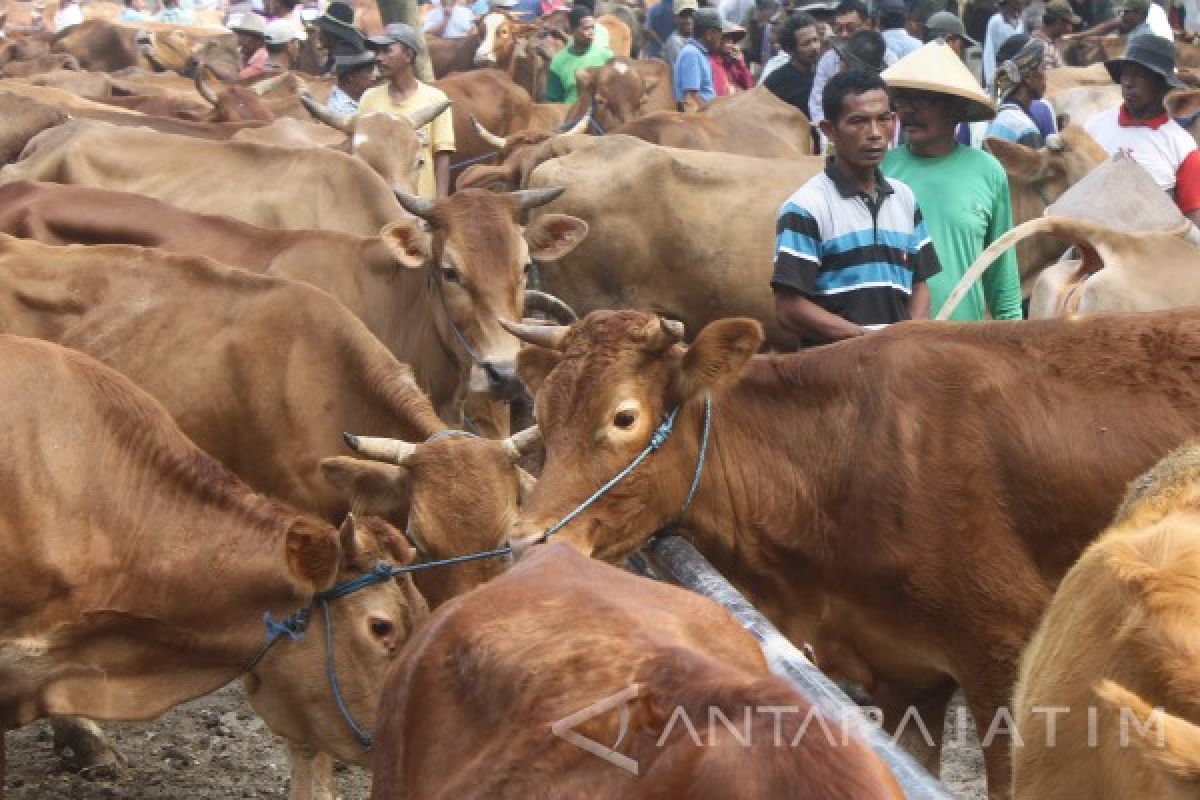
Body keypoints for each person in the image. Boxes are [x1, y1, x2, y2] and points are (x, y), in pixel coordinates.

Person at [772, 69, 940, 346]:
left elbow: (920, 285)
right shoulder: (806, 207)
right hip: (833, 378)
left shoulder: (904, 198)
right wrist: (869, 342)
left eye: (884, 119)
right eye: (858, 121)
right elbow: (789, 309)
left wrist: (907, 339)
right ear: (829, 130)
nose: (875, 134)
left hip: (896, 371)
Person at [882, 41, 1024, 322]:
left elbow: (1001, 270)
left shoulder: (988, 171)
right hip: (891, 345)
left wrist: (1014, 336)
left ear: (957, 109)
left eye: (923, 100)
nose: (908, 111)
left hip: (962, 348)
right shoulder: (881, 169)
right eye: (902, 100)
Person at [1085, 34, 1200, 223]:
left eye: (1139, 75)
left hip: (1151, 248)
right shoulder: (1094, 127)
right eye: (1125, 74)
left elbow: (1193, 220)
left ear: (1161, 83)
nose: (1128, 83)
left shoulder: (1183, 148)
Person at [360, 23, 456, 198]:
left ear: (408, 55)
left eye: (386, 50)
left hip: (422, 203)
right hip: (383, 203)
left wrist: (440, 203)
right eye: (377, 52)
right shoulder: (369, 99)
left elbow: (442, 155)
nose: (379, 58)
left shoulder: (436, 99)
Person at [808, 0, 897, 125]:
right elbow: (817, 103)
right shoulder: (828, 60)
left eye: (851, 28)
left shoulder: (887, 58)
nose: (844, 34)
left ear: (868, 24)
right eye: (839, 29)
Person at [987, 34, 1048, 146]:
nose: (1046, 75)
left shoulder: (996, 119)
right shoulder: (1024, 128)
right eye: (1043, 67)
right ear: (1029, 77)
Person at [546, 6, 614, 104]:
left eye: (592, 28)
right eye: (586, 28)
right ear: (572, 30)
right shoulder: (558, 62)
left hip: (599, 116)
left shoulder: (607, 56)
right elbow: (553, 100)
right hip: (569, 115)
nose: (591, 33)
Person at [763, 11, 822, 110]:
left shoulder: (827, 73)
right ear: (790, 50)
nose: (814, 47)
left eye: (815, 40)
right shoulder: (776, 82)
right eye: (806, 44)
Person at [674, 7, 723, 109]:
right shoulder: (692, 54)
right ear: (709, 34)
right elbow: (691, 98)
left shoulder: (699, 52)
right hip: (699, 119)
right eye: (719, 32)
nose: (721, 37)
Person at [315, 1, 367, 74]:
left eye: (322, 30)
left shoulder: (347, 51)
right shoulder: (337, 51)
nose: (319, 35)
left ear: (329, 32)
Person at [1074, 0, 1173, 38]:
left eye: (1126, 12)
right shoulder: (1128, 21)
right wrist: (1080, 35)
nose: (1122, 15)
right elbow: (1107, 26)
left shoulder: (1151, 32)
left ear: (1138, 13)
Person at [982, 0, 1024, 88]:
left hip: (1017, 74)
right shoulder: (996, 21)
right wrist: (991, 80)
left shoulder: (1021, 22)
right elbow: (989, 51)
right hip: (1000, 73)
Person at [327, 47, 377, 114]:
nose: (375, 77)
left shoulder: (372, 98)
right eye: (369, 71)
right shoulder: (336, 109)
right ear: (350, 77)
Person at [1033, 0, 1078, 68]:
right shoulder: (1043, 48)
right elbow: (1051, 77)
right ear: (1058, 22)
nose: (1070, 28)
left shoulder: (1047, 43)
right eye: (1068, 23)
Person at [712, 21, 753, 94]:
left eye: (731, 39)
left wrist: (740, 62)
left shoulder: (732, 63)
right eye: (726, 38)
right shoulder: (711, 61)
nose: (730, 42)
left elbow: (749, 86)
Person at [228, 12, 270, 78]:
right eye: (239, 35)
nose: (239, 40)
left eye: (243, 37)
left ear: (258, 40)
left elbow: (237, 79)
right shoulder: (246, 54)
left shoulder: (262, 57)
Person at [662, 0, 699, 67]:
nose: (688, 20)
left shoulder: (697, 37)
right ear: (675, 18)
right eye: (683, 15)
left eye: (692, 15)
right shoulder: (675, 42)